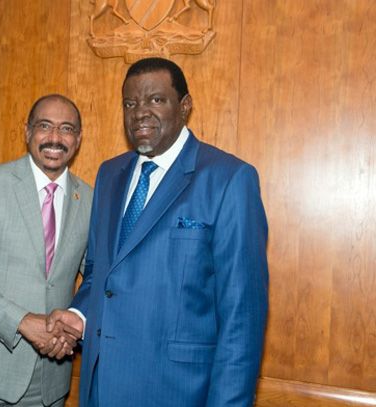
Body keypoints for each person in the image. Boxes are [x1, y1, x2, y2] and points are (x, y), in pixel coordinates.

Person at [47, 58, 269, 406]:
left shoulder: (228, 179)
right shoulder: (110, 174)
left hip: (178, 392)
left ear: (185, 106)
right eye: (130, 103)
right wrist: (79, 314)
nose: (140, 113)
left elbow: (241, 319)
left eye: (156, 100)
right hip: (101, 388)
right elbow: (100, 272)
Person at [0, 94, 93, 406]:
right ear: (27, 131)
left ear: (78, 138)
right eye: (44, 126)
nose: (54, 138)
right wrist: (22, 321)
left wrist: (75, 326)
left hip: (50, 382)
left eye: (66, 129)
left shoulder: (91, 199)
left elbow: (96, 280)